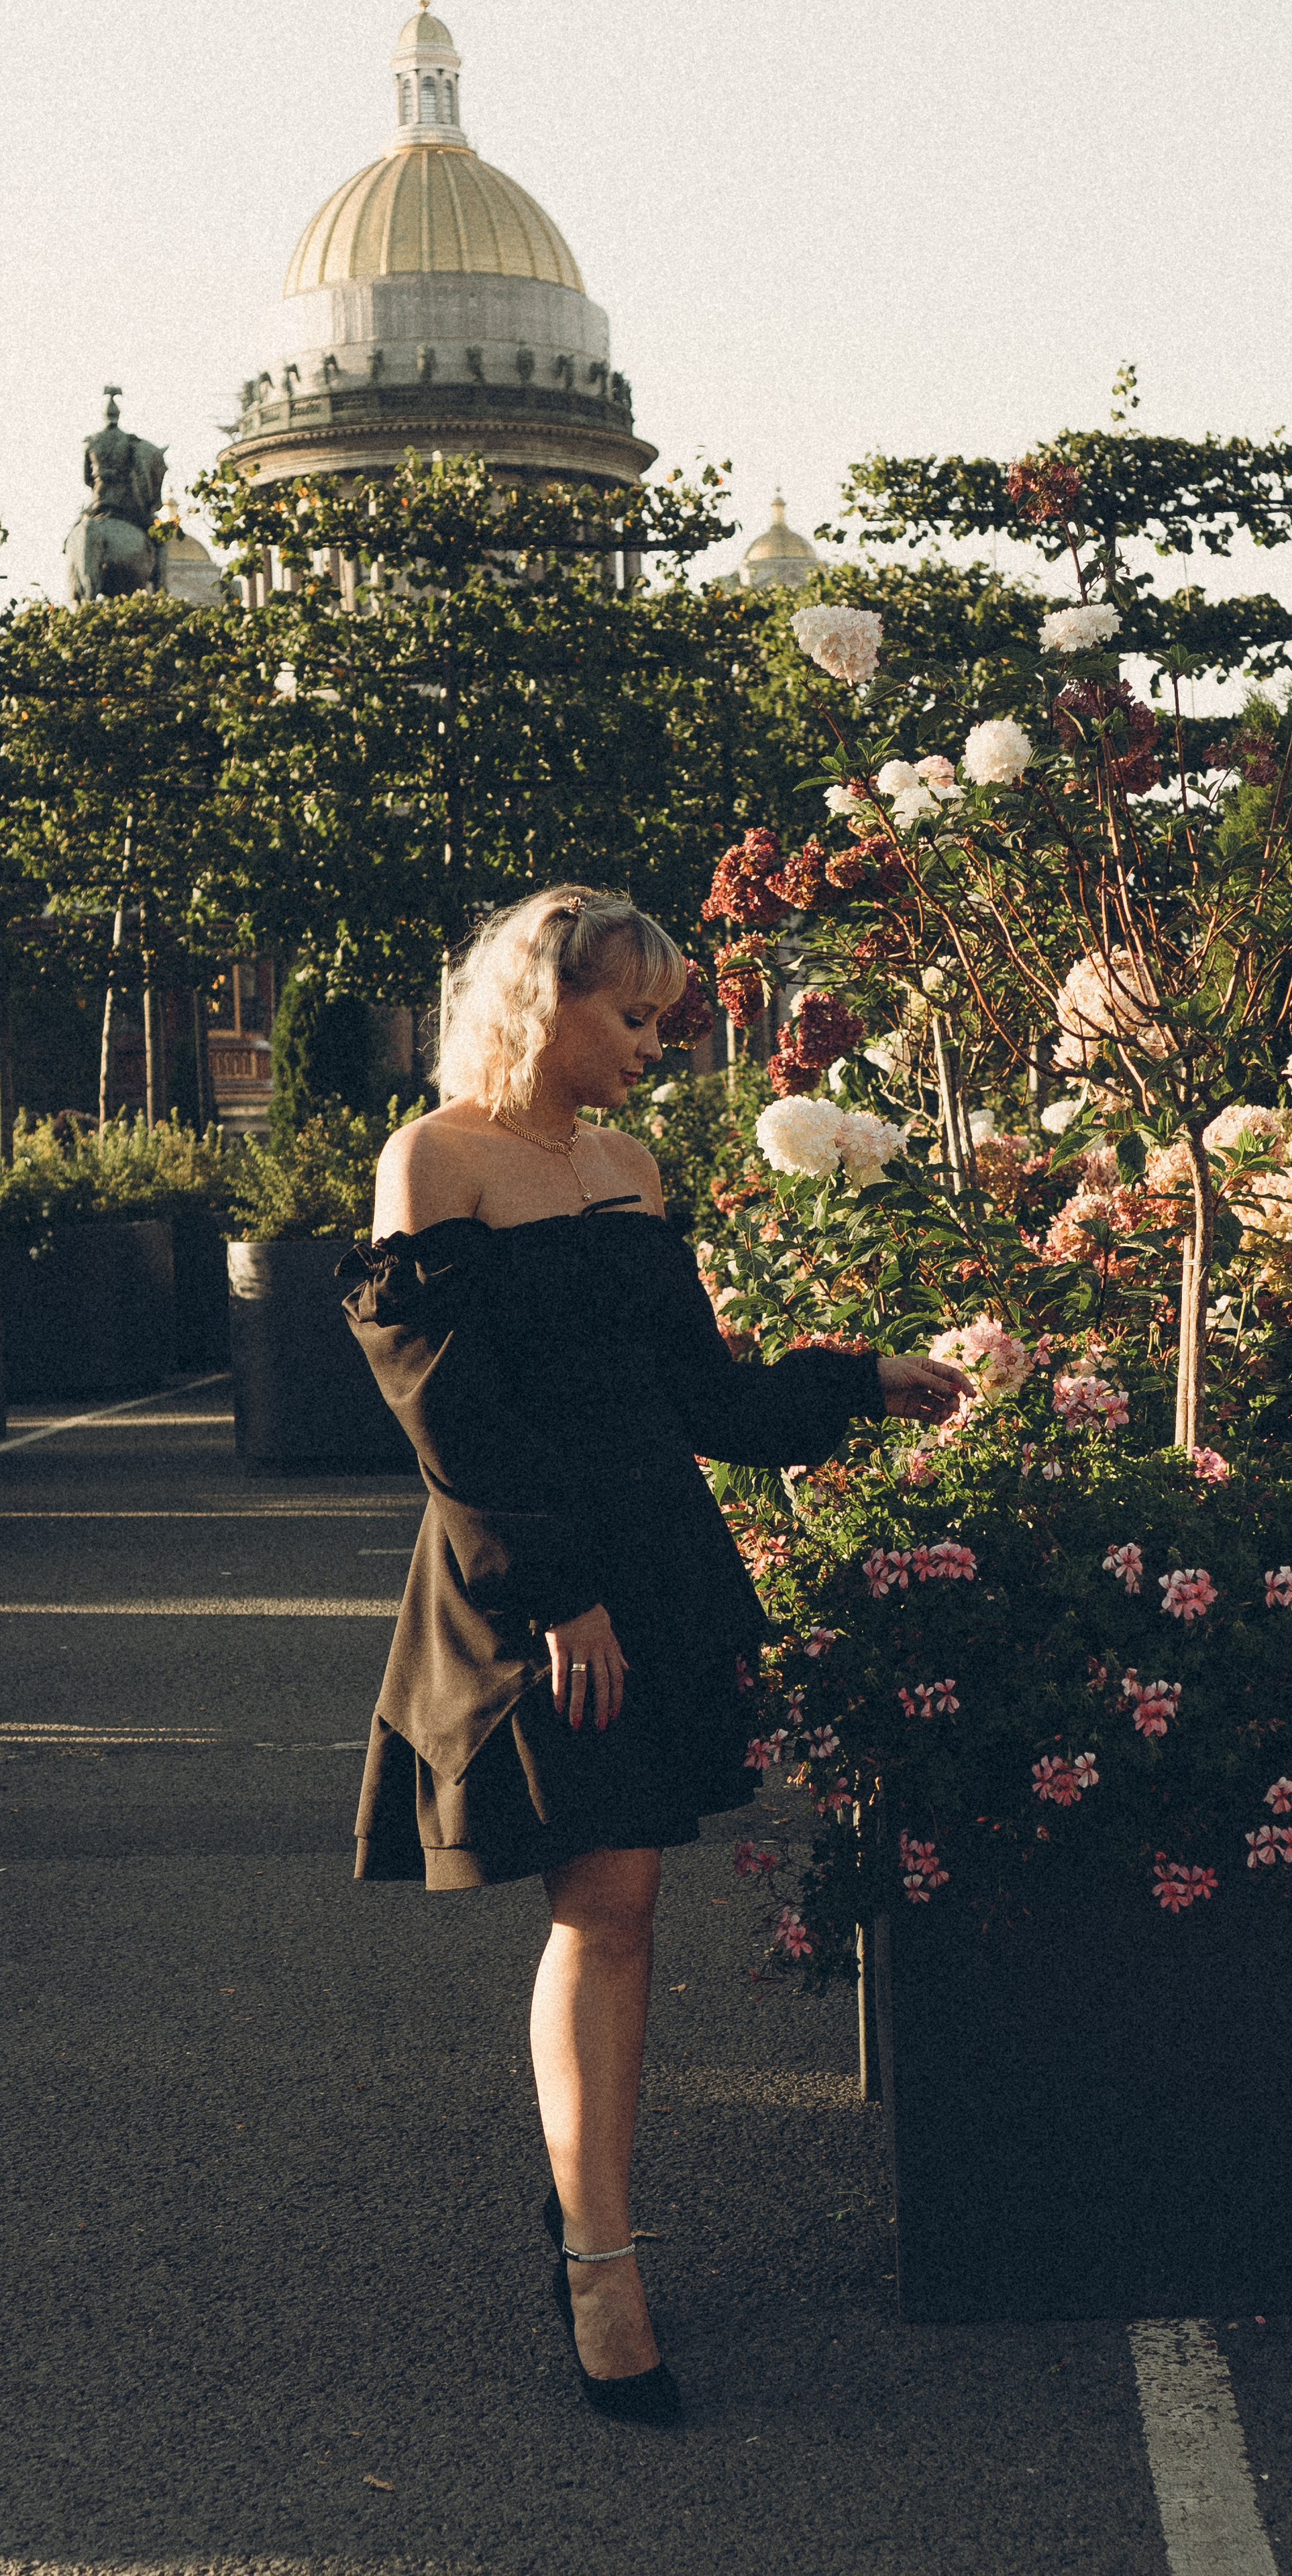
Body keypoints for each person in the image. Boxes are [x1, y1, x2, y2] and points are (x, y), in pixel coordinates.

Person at [340, 885, 969, 2427]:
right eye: (628, 1016)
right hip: (526, 1576)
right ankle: (603, 2263)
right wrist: (556, 1596)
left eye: (661, 1019)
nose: (652, 1046)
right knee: (602, 1897)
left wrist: (859, 1381)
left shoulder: (628, 1167)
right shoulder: (434, 1158)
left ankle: (586, 2217)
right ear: (534, 1002)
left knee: (625, 1900)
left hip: (655, 1568)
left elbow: (697, 1395)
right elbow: (446, 1414)